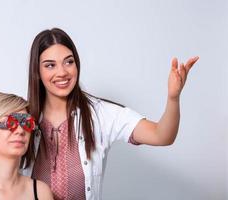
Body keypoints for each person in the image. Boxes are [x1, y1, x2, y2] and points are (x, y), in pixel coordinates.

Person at [25, 28, 199, 200]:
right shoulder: (21, 118)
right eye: (50, 65)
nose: (62, 72)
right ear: (37, 72)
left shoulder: (100, 113)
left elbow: (162, 136)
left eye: (69, 62)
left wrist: (173, 98)